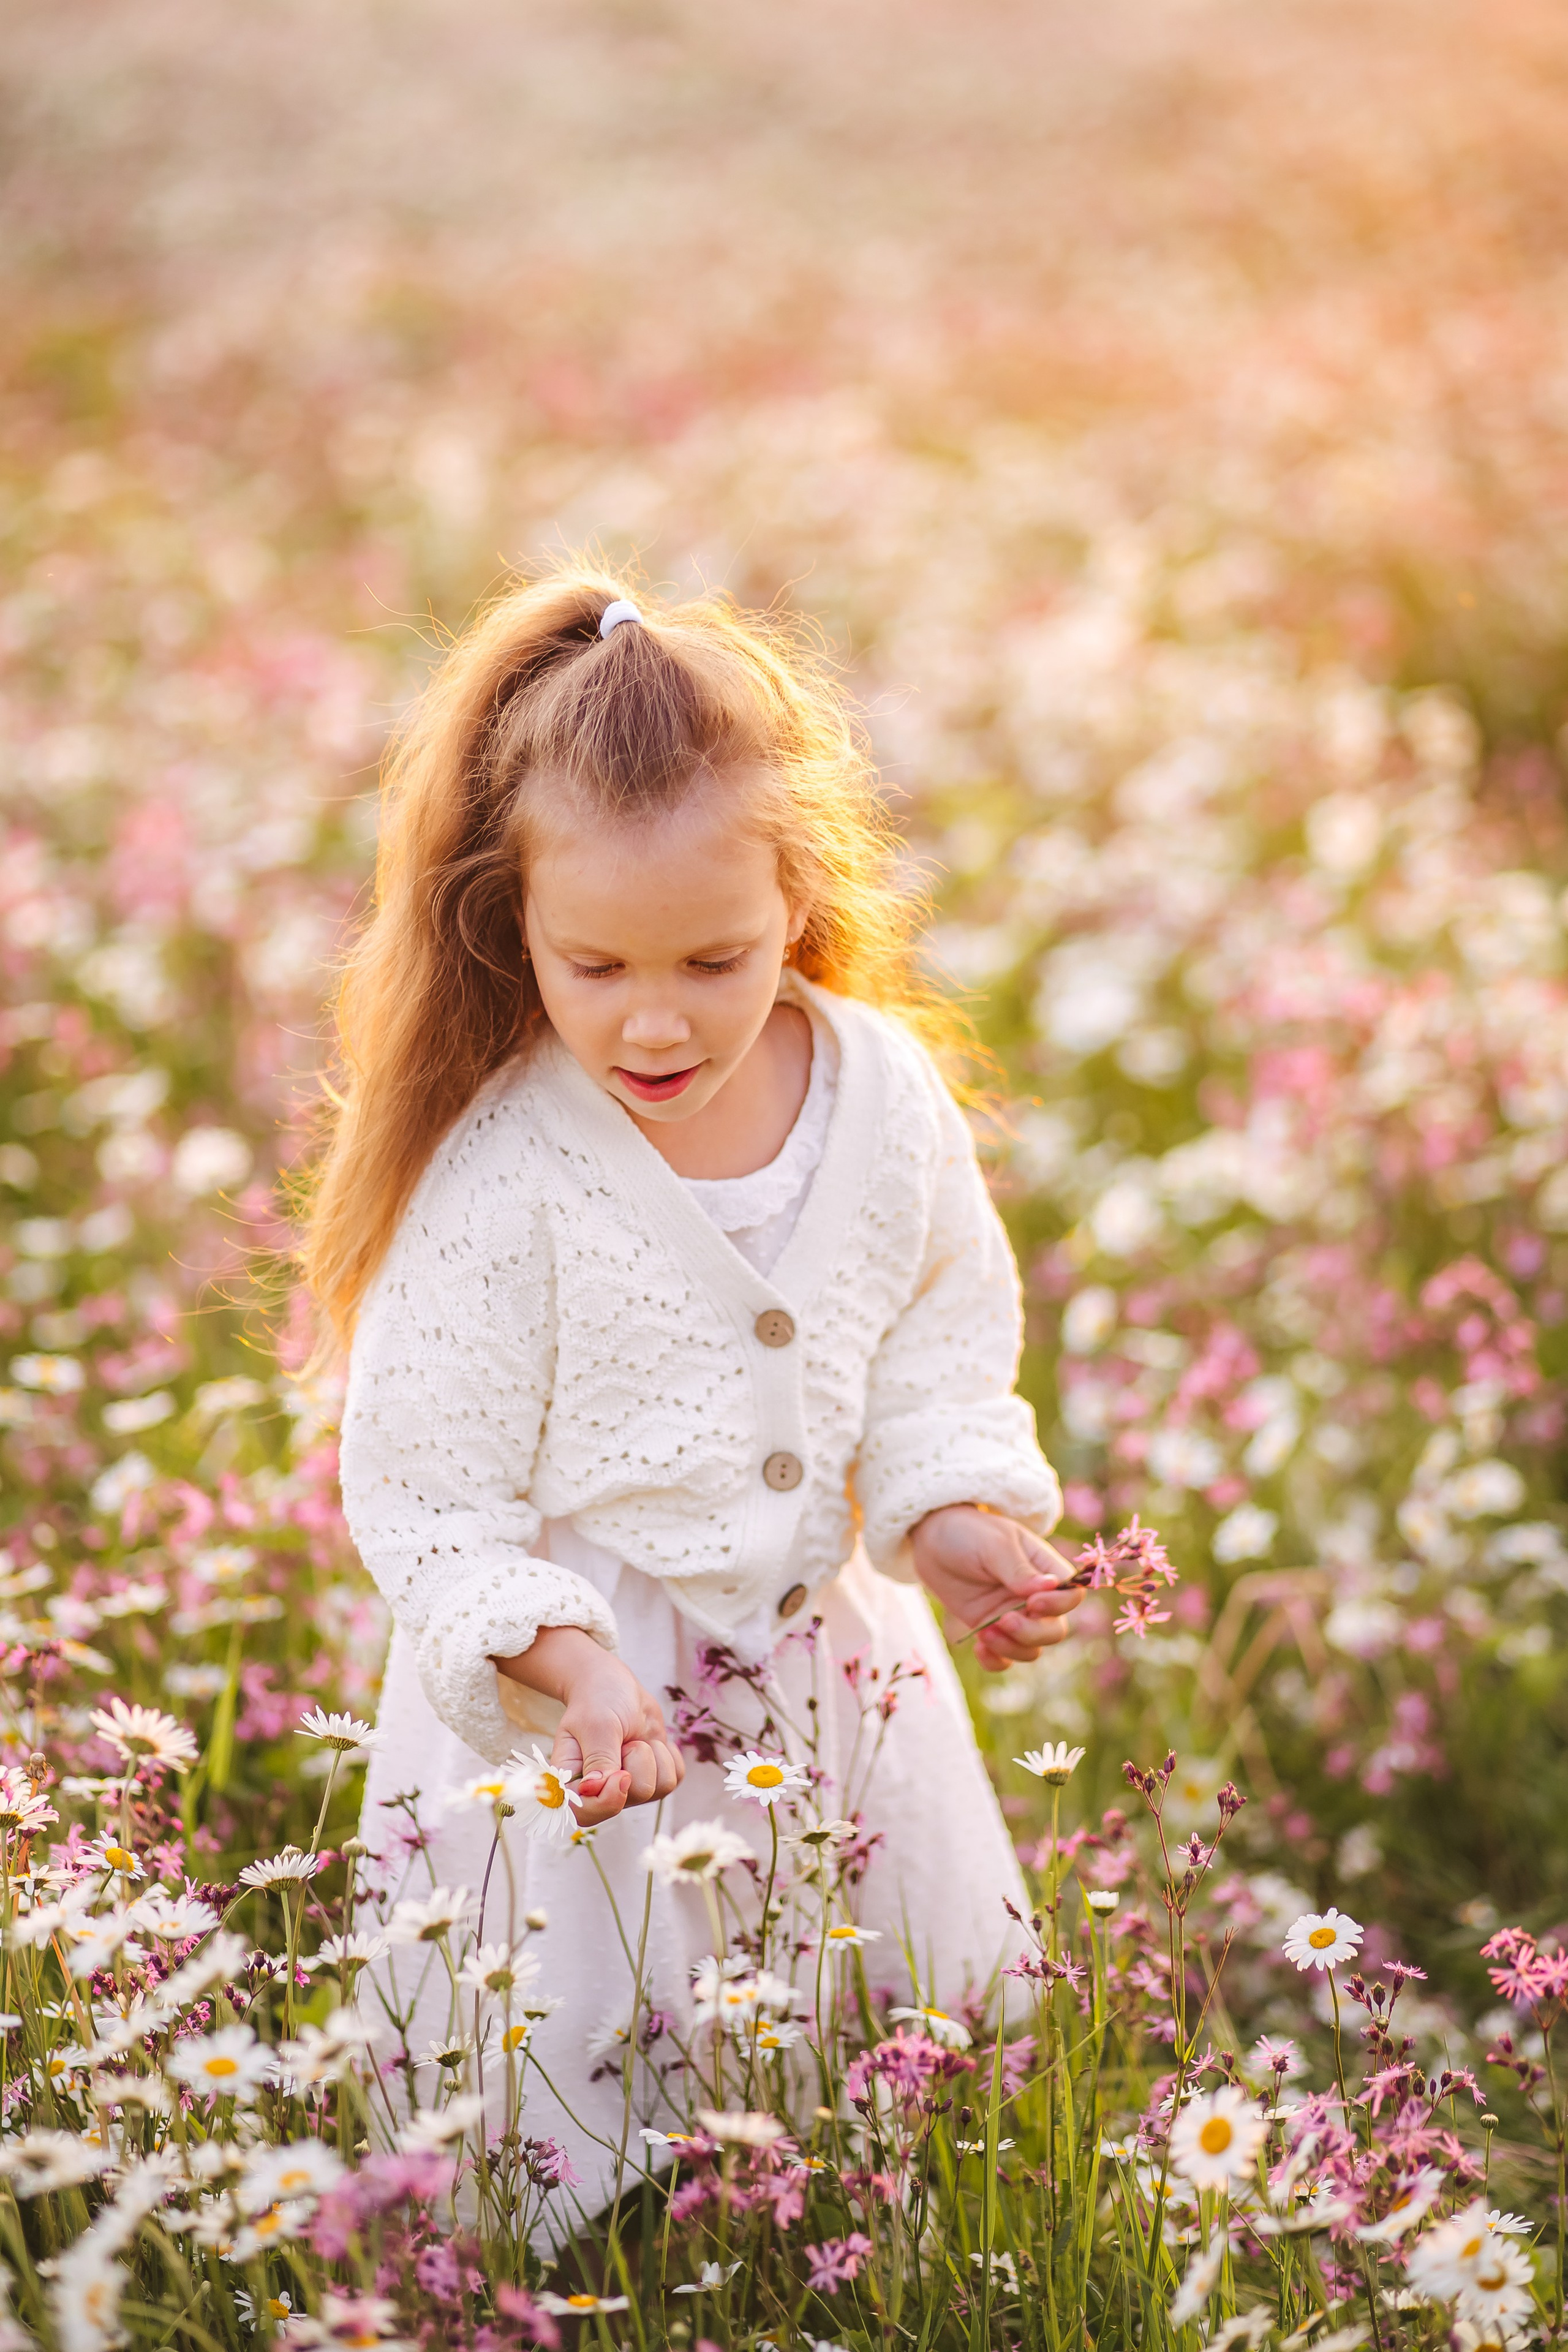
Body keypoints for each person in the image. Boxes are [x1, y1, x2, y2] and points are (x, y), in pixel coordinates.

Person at [305, 568, 1082, 2214]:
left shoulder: (881, 1094)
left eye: (717, 962)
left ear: (798, 901)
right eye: (595, 968)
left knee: (850, 2033)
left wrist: (949, 1511)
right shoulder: (505, 1169)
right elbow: (428, 1484)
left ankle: (836, 2216)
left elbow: (940, 1321)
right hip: (589, 1698)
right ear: (511, 925)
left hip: (826, 1655)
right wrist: (565, 1665)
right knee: (570, 2066)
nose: (656, 1022)